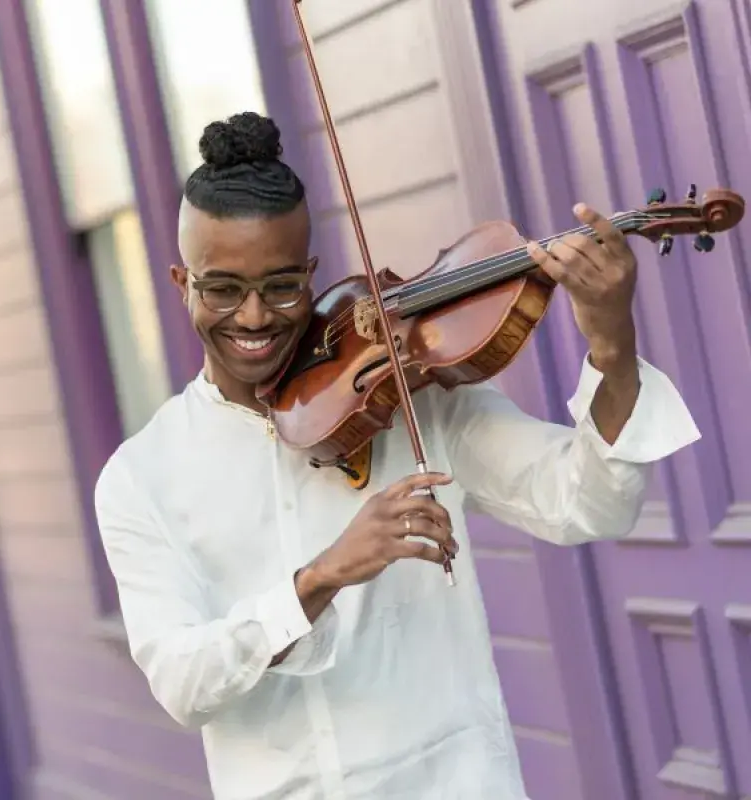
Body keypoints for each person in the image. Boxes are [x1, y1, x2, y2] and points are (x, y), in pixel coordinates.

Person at [94, 112, 700, 799]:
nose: (256, 316)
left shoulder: (409, 400)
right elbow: (182, 683)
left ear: (313, 274)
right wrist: (321, 577)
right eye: (223, 289)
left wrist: (612, 343)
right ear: (182, 282)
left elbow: (591, 503)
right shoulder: (142, 478)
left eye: (284, 286)